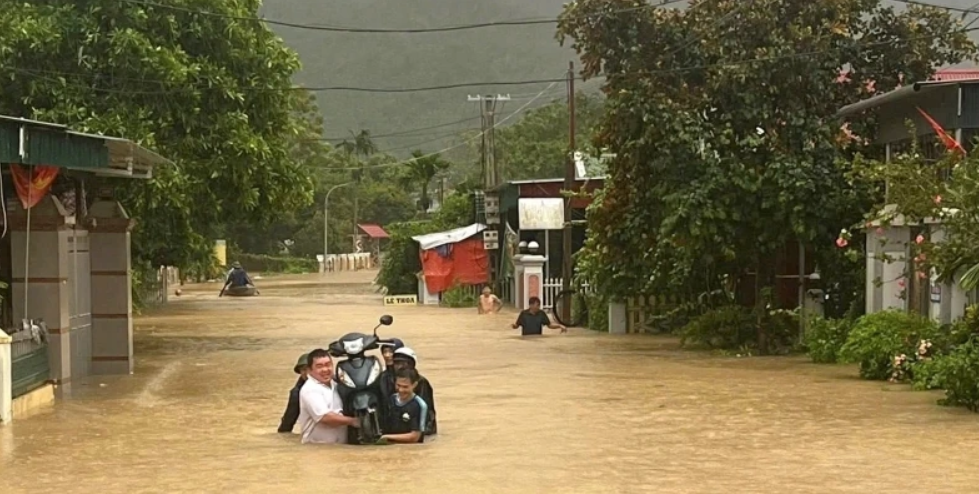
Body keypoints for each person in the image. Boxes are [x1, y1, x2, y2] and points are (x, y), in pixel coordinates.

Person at [298, 348, 359, 444]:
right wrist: (353, 421)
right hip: (317, 449)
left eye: (328, 365)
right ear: (309, 370)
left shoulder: (337, 384)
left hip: (340, 449)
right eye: (319, 366)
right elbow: (325, 418)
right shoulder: (310, 389)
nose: (325, 369)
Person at [391, 347, 437, 435]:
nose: (399, 366)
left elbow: (425, 408)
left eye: (403, 363)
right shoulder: (389, 378)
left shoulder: (421, 382)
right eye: (397, 363)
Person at [379, 368, 429, 444]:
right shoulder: (392, 399)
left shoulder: (420, 405)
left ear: (414, 385)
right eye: (398, 385)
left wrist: (386, 437)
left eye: (405, 387)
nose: (401, 390)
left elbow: (415, 437)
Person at [277, 353, 309, 433]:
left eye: (310, 368)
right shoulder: (297, 393)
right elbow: (287, 423)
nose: (307, 373)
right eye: (304, 369)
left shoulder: (334, 382)